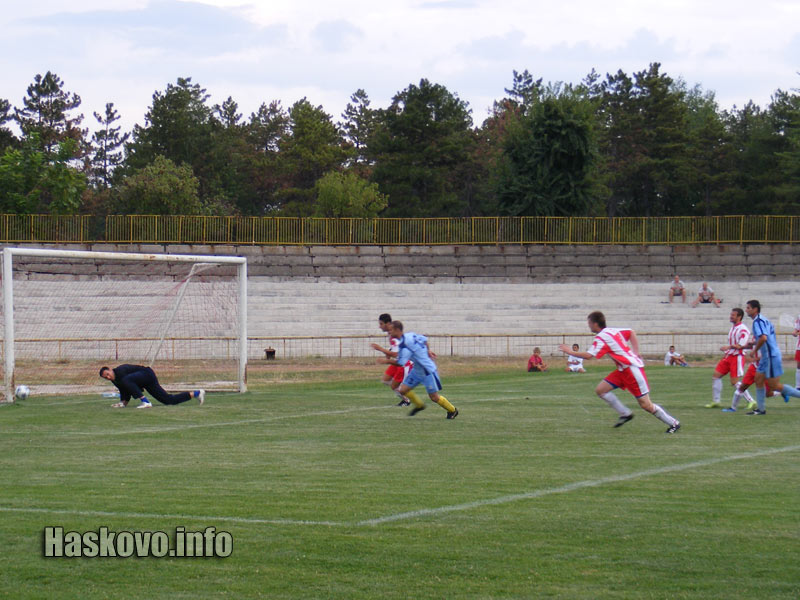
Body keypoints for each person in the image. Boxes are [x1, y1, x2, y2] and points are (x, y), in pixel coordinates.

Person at [558, 311, 681, 433]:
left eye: (589, 323)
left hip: (632, 371)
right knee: (601, 390)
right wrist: (636, 352)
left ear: (595, 324)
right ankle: (625, 413)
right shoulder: (612, 331)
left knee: (646, 405)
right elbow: (631, 332)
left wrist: (570, 352)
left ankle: (673, 423)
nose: (588, 325)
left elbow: (589, 355)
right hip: (622, 370)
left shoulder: (602, 337)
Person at [378, 321, 459, 419]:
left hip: (427, 371)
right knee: (402, 390)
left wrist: (386, 361)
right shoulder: (410, 335)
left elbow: (400, 363)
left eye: (391, 330)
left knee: (434, 397)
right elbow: (424, 340)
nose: (389, 332)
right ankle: (420, 405)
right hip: (416, 371)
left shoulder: (405, 343)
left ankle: (452, 410)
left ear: (397, 330)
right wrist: (428, 350)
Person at [744, 299, 800, 415]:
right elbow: (766, 338)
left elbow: (764, 338)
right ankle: (761, 409)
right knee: (758, 380)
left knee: (774, 386)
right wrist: (754, 343)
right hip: (767, 356)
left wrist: (754, 350)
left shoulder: (758, 321)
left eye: (748, 308)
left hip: (771, 356)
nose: (746, 310)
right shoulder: (763, 320)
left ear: (755, 309)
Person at [370, 313, 422, 408]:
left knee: (394, 386)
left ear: (387, 323)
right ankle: (404, 392)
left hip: (403, 363)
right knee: (385, 380)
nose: (379, 326)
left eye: (381, 324)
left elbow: (397, 354)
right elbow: (394, 350)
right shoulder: (391, 334)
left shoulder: (394, 335)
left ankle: (407, 398)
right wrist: (387, 353)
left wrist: (381, 349)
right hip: (397, 361)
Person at [708, 308, 755, 409]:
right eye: (731, 314)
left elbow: (740, 345)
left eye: (733, 315)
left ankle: (751, 400)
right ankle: (716, 401)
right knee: (716, 376)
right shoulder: (734, 327)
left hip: (737, 357)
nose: (731, 316)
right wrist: (727, 350)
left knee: (734, 382)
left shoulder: (743, 329)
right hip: (729, 356)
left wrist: (728, 347)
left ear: (739, 317)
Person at [100, 364, 205, 409]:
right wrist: (123, 403)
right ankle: (196, 393)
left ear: (110, 369)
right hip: (145, 381)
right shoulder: (116, 380)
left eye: (108, 374)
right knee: (168, 400)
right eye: (106, 377)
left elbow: (127, 385)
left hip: (146, 374)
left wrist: (138, 395)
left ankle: (145, 402)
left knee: (126, 380)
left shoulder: (121, 370)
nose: (108, 377)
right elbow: (124, 390)